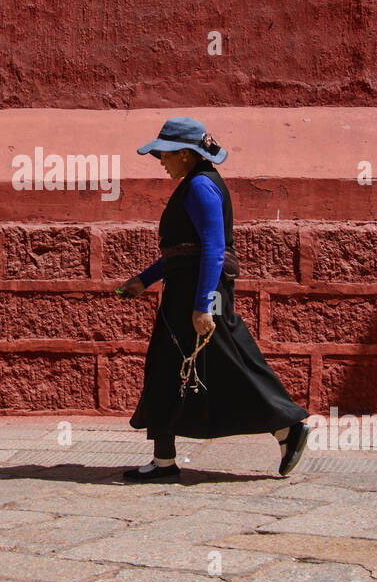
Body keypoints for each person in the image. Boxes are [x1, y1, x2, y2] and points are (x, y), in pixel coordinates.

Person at [116, 116, 311, 482]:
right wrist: (143, 281)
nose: (162, 161)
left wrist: (203, 304)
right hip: (183, 295)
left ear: (187, 156)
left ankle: (289, 428)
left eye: (166, 154)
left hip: (201, 295)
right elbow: (182, 252)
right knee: (166, 368)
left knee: (232, 364)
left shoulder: (201, 187)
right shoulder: (193, 184)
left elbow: (214, 250)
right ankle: (163, 461)